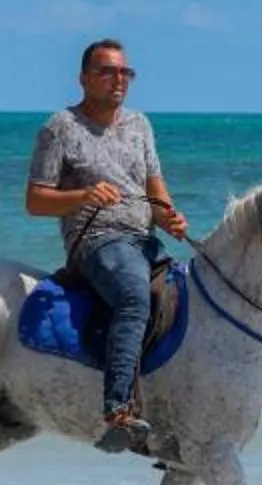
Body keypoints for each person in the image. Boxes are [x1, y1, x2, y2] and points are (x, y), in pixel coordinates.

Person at [26, 39, 188, 452]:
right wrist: (81, 196)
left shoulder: (139, 125)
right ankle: (118, 409)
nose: (119, 80)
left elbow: (155, 191)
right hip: (96, 241)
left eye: (125, 73)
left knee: (189, 296)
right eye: (108, 72)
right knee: (134, 298)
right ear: (84, 79)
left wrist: (169, 217)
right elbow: (35, 200)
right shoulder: (60, 128)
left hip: (143, 238)